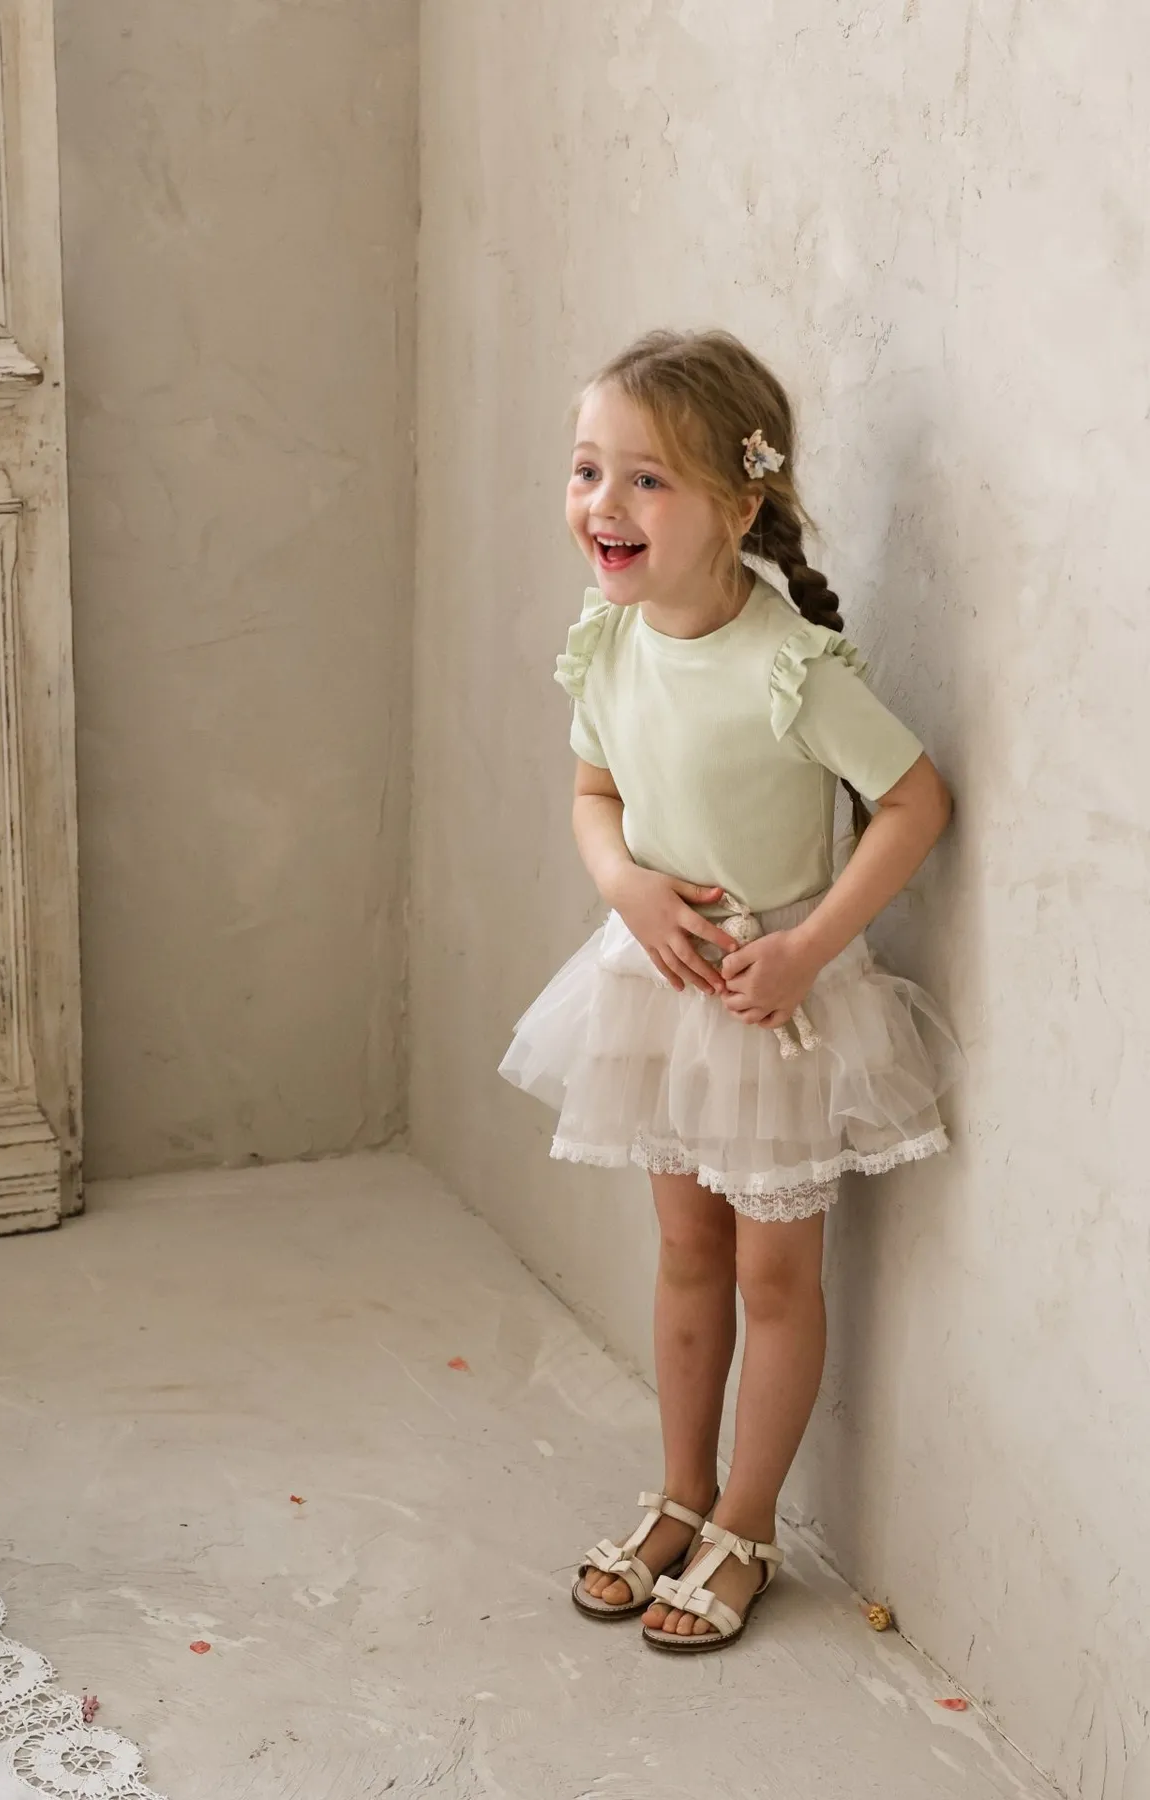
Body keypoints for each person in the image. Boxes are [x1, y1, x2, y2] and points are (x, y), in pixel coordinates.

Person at [499, 328, 962, 1655]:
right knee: (687, 1254)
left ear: (739, 506)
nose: (604, 502)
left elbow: (915, 803)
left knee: (773, 1275)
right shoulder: (609, 643)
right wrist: (626, 889)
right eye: (589, 469)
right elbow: (595, 793)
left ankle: (747, 1524)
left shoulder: (786, 665)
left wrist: (809, 947)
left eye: (646, 479)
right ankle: (680, 1494)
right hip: (660, 990)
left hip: (775, 1010)